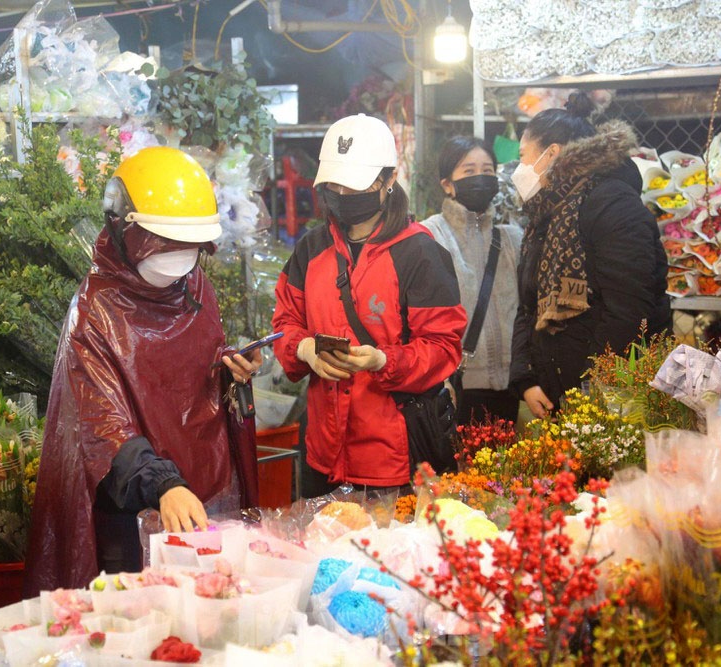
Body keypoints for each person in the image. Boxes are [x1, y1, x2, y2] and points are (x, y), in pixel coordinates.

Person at [25, 147, 263, 594]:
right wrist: (163, 484)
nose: (176, 258)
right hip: (132, 507)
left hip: (203, 488)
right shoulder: (95, 310)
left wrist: (231, 366)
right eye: (162, 243)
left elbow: (194, 365)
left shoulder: (195, 285)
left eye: (188, 247)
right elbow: (104, 424)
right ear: (123, 228)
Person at [272, 113, 467, 493]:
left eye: (355, 185)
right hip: (322, 454)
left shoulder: (421, 254)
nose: (343, 196)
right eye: (335, 186)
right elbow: (284, 323)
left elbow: (444, 348)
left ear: (390, 179)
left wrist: (384, 361)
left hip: (394, 460)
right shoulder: (311, 249)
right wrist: (305, 349)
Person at [509, 93, 670, 419]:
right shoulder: (546, 212)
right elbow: (529, 303)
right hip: (559, 393)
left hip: (610, 397)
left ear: (551, 153)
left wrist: (590, 389)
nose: (519, 166)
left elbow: (628, 311)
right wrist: (526, 378)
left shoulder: (613, 205)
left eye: (524, 155)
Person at [421, 136, 524, 425]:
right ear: (447, 184)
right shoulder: (430, 236)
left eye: (487, 171)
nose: (480, 177)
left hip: (512, 386)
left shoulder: (512, 238)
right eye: (468, 171)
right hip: (457, 385)